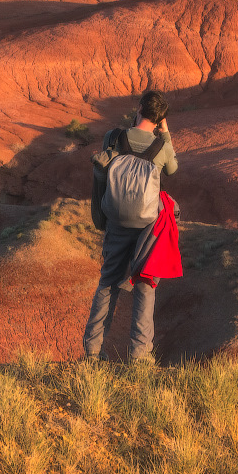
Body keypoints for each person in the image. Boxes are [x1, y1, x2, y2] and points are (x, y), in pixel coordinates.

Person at [83, 90, 178, 362]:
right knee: (145, 283)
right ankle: (138, 355)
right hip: (146, 225)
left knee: (108, 281)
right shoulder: (161, 147)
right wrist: (166, 135)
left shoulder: (112, 138)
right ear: (160, 119)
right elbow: (171, 170)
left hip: (115, 218)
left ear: (138, 108)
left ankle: (92, 351)